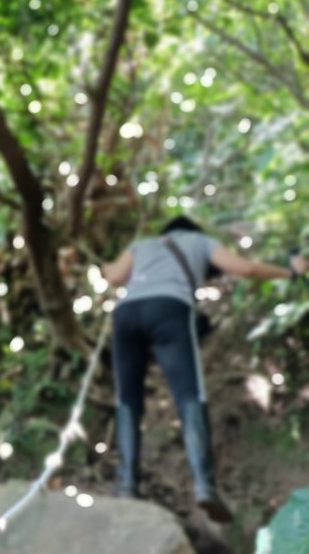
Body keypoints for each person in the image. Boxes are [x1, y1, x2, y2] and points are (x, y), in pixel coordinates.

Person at [102, 216, 308, 523]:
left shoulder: (141, 244)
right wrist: (289, 271)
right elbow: (246, 268)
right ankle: (204, 487)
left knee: (127, 398)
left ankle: (126, 485)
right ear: (192, 232)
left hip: (126, 314)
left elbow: (114, 277)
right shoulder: (201, 242)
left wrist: (106, 268)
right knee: (189, 394)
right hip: (169, 309)